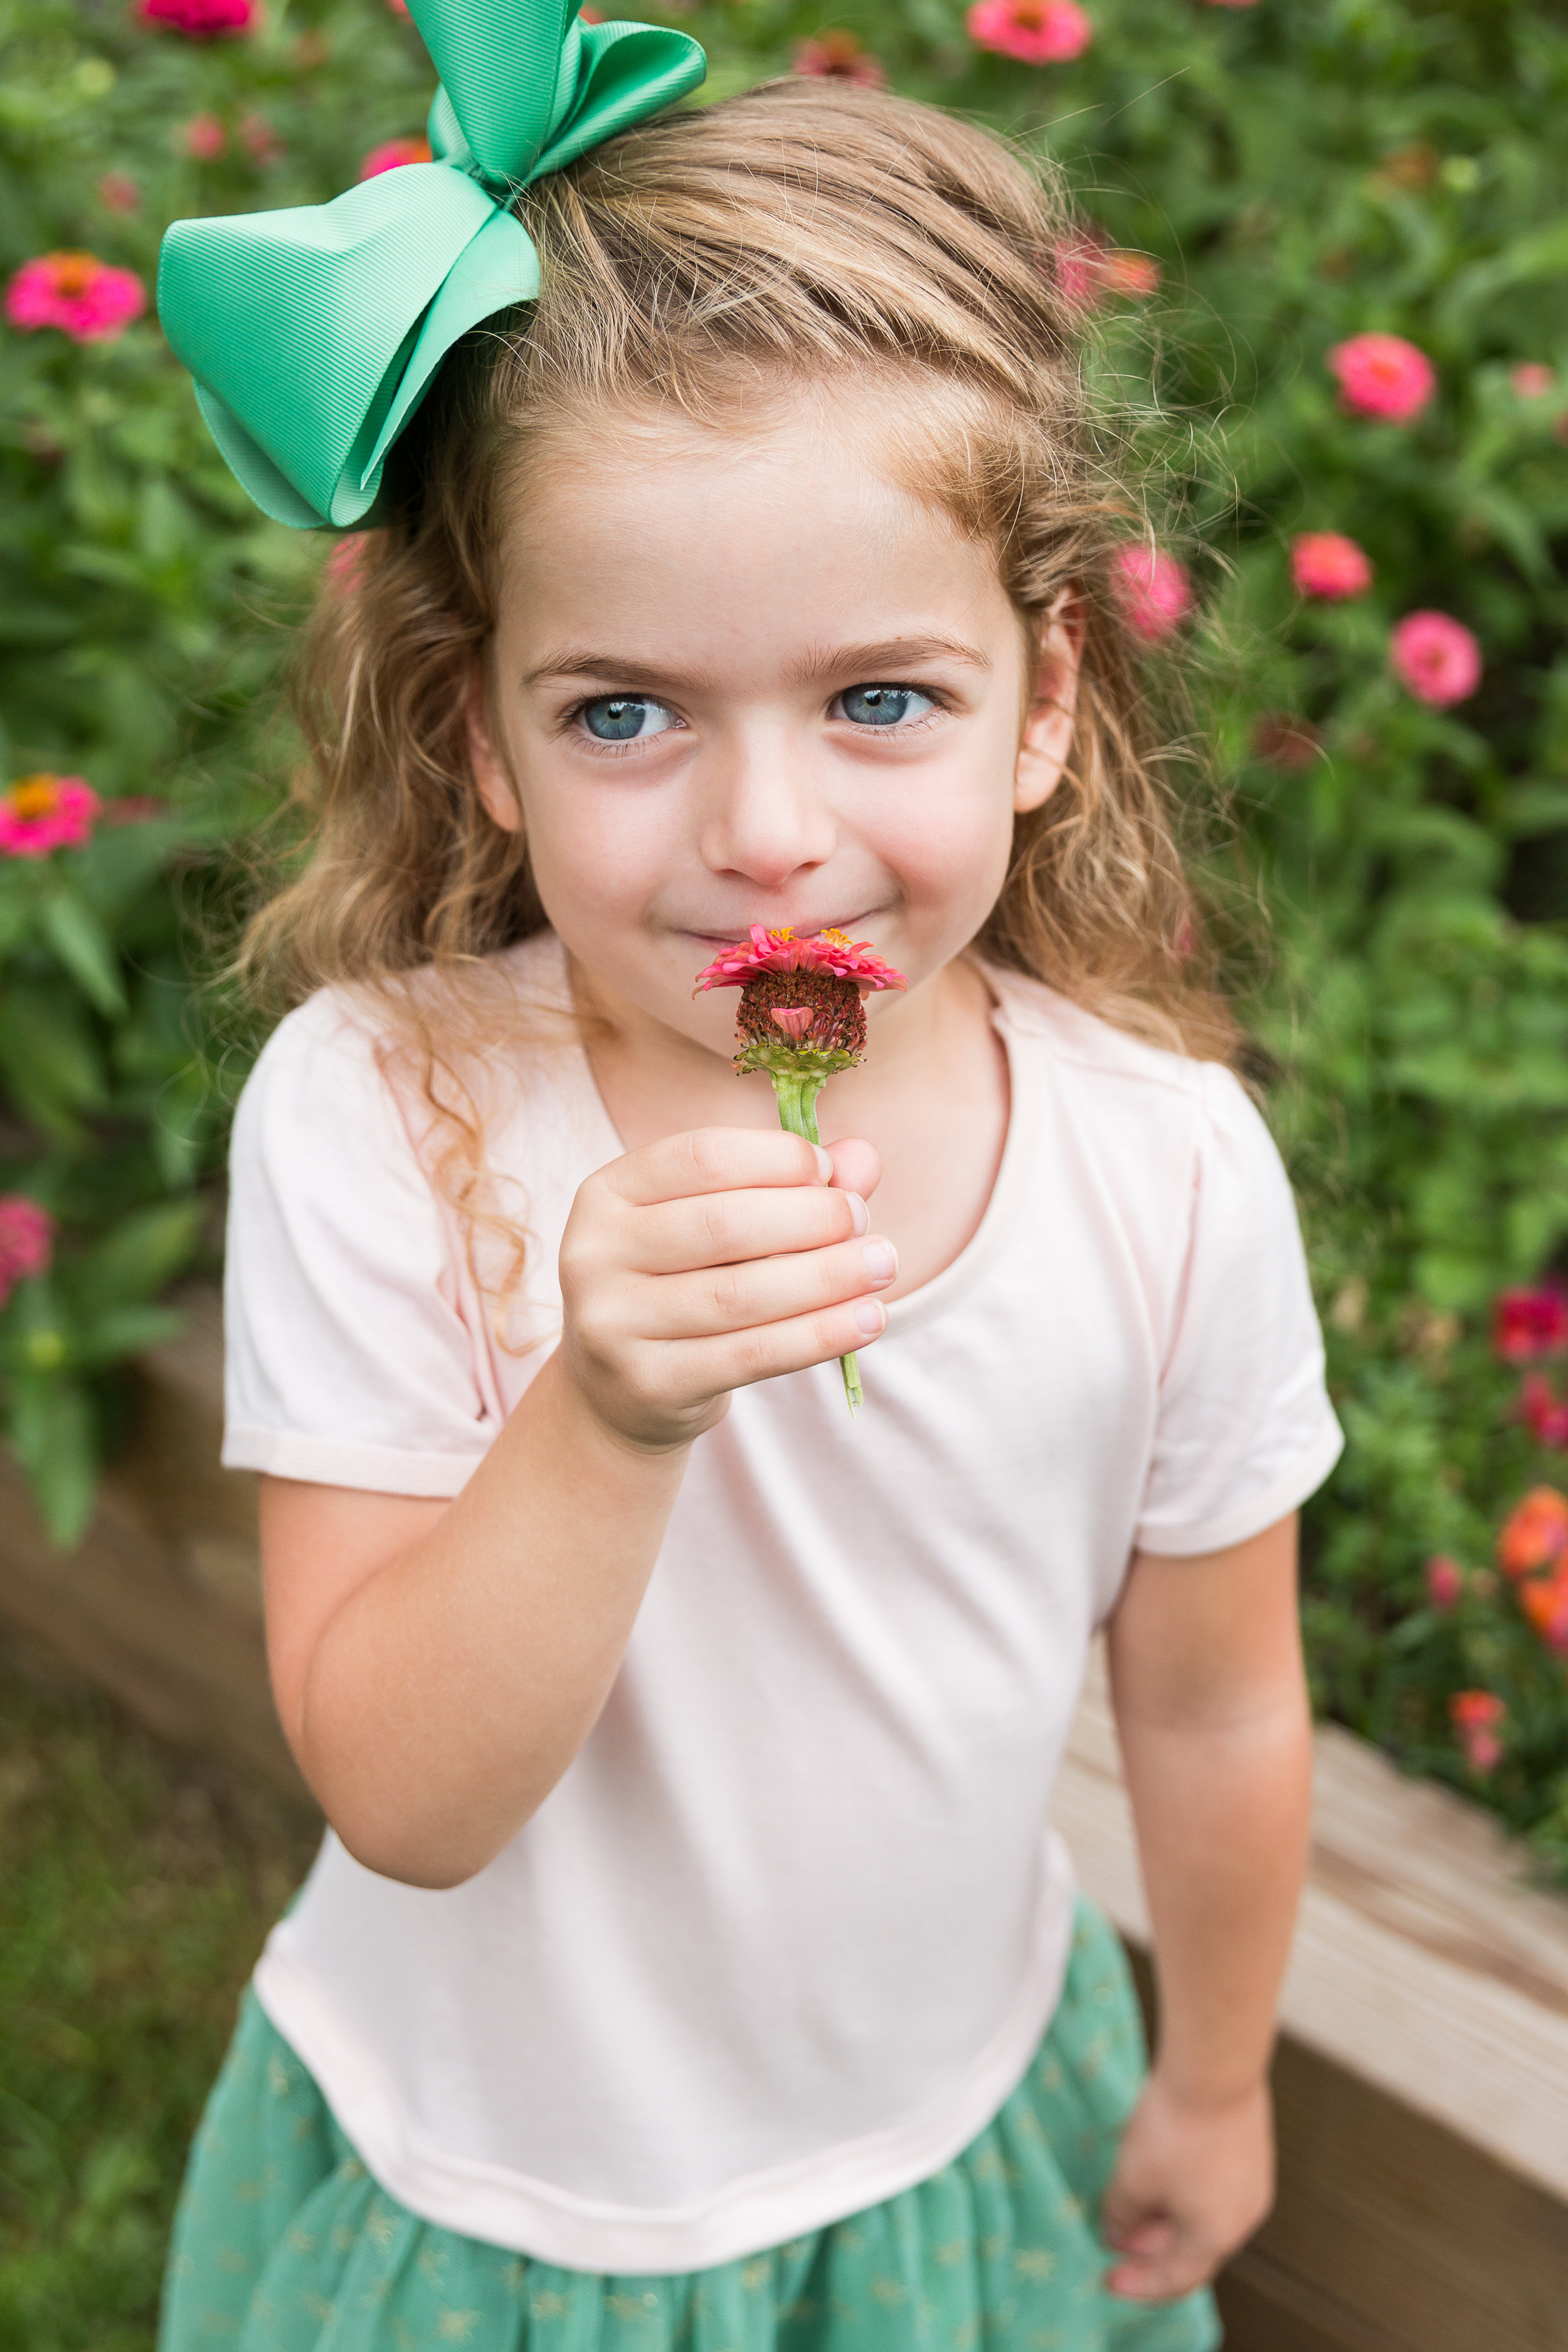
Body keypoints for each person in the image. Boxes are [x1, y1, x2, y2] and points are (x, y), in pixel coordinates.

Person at [155, 8, 1342, 2347]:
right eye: (624, 713)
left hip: (943, 2137)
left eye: (877, 698)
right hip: (486, 2174)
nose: (766, 831)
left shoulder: (1163, 1174)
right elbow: (400, 1793)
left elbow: (1212, 1706)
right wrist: (600, 1420)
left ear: (1047, 700)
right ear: (479, 738)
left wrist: (1215, 2079)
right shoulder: (381, 1115)